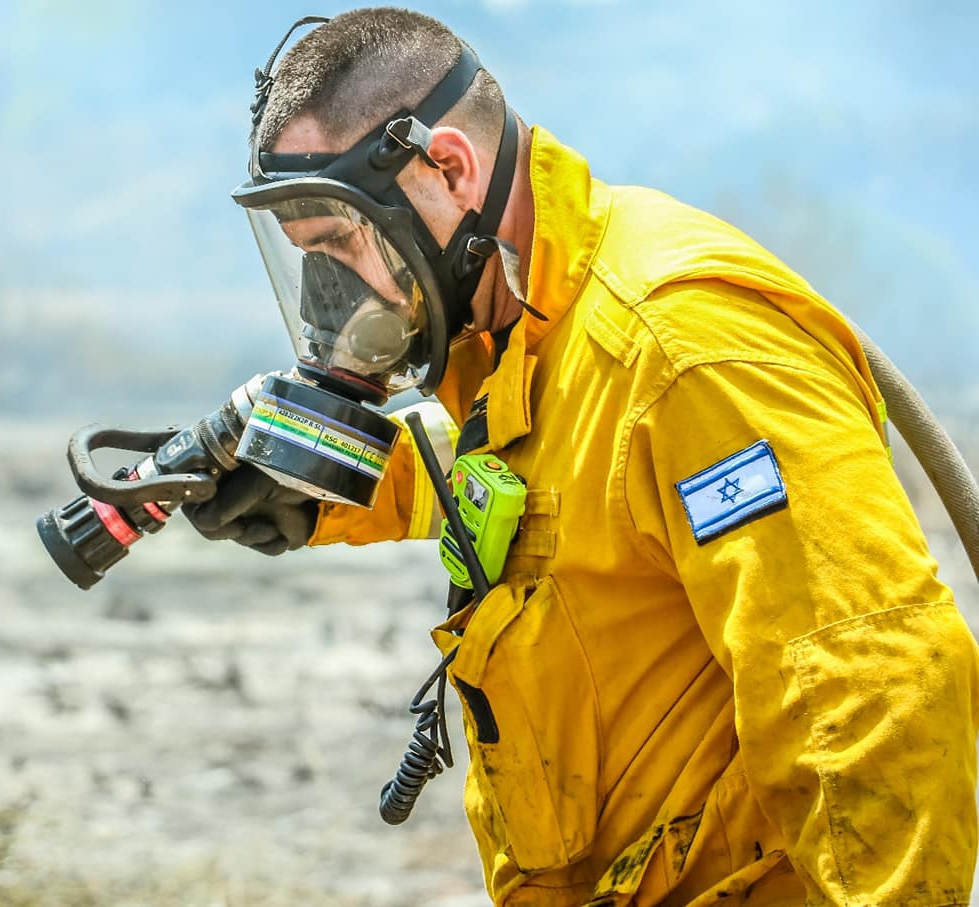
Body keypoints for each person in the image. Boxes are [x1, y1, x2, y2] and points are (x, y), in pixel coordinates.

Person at [184, 7, 979, 904]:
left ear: (448, 167)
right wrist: (327, 482)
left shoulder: (685, 350)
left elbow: (876, 689)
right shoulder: (520, 322)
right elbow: (560, 471)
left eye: (340, 244)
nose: (334, 295)